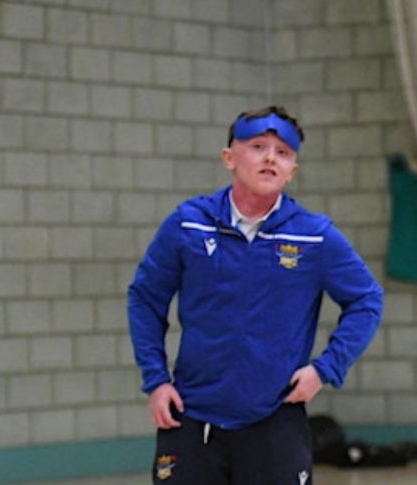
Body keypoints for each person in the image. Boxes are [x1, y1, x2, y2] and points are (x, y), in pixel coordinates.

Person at [128, 106, 384, 484]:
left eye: (283, 152)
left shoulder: (314, 236)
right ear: (229, 158)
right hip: (192, 413)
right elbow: (145, 298)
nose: (270, 158)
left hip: (275, 418)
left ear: (293, 169)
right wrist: (156, 378)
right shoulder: (188, 223)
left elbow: (367, 299)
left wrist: (325, 368)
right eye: (258, 146)